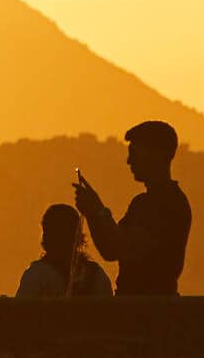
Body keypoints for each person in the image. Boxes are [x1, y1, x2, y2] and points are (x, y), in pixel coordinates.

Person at [72, 120, 193, 295]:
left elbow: (122, 247)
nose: (129, 161)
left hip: (150, 308)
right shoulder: (143, 203)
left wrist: (98, 211)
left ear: (156, 154)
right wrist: (92, 214)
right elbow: (109, 249)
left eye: (135, 154)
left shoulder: (167, 203)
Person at [16, 204, 115, 298]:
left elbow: (20, 312)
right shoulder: (97, 275)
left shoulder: (37, 275)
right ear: (79, 237)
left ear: (47, 236)